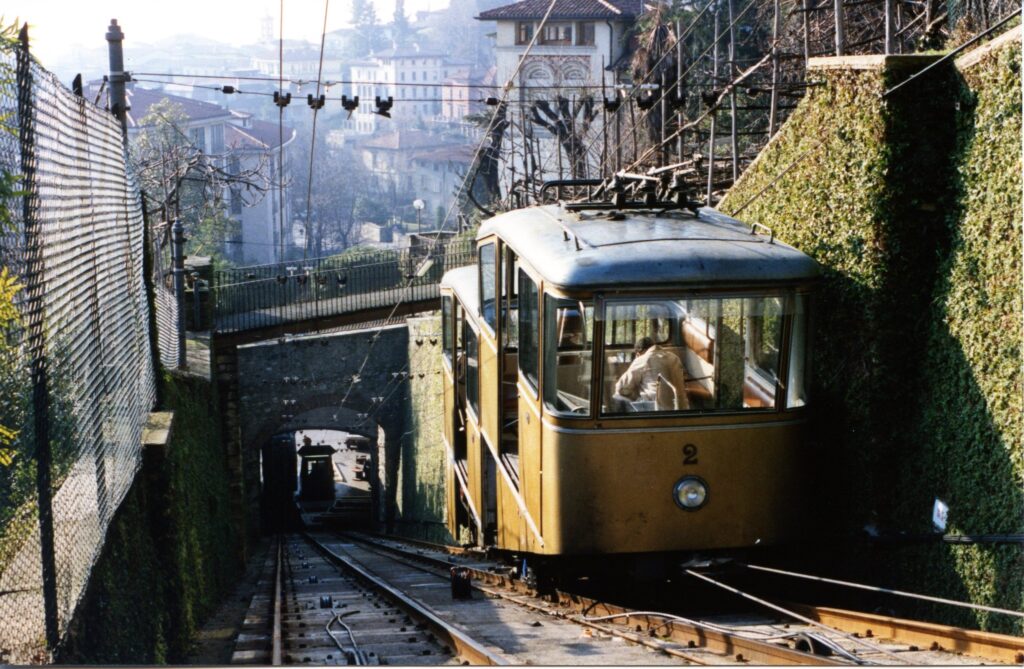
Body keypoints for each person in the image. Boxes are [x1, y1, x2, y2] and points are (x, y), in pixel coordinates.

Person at [614, 336, 689, 411]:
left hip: (656, 411)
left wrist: (635, 394)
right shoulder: (674, 357)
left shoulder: (642, 359)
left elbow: (621, 388)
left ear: (638, 354)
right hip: (682, 409)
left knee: (617, 397)